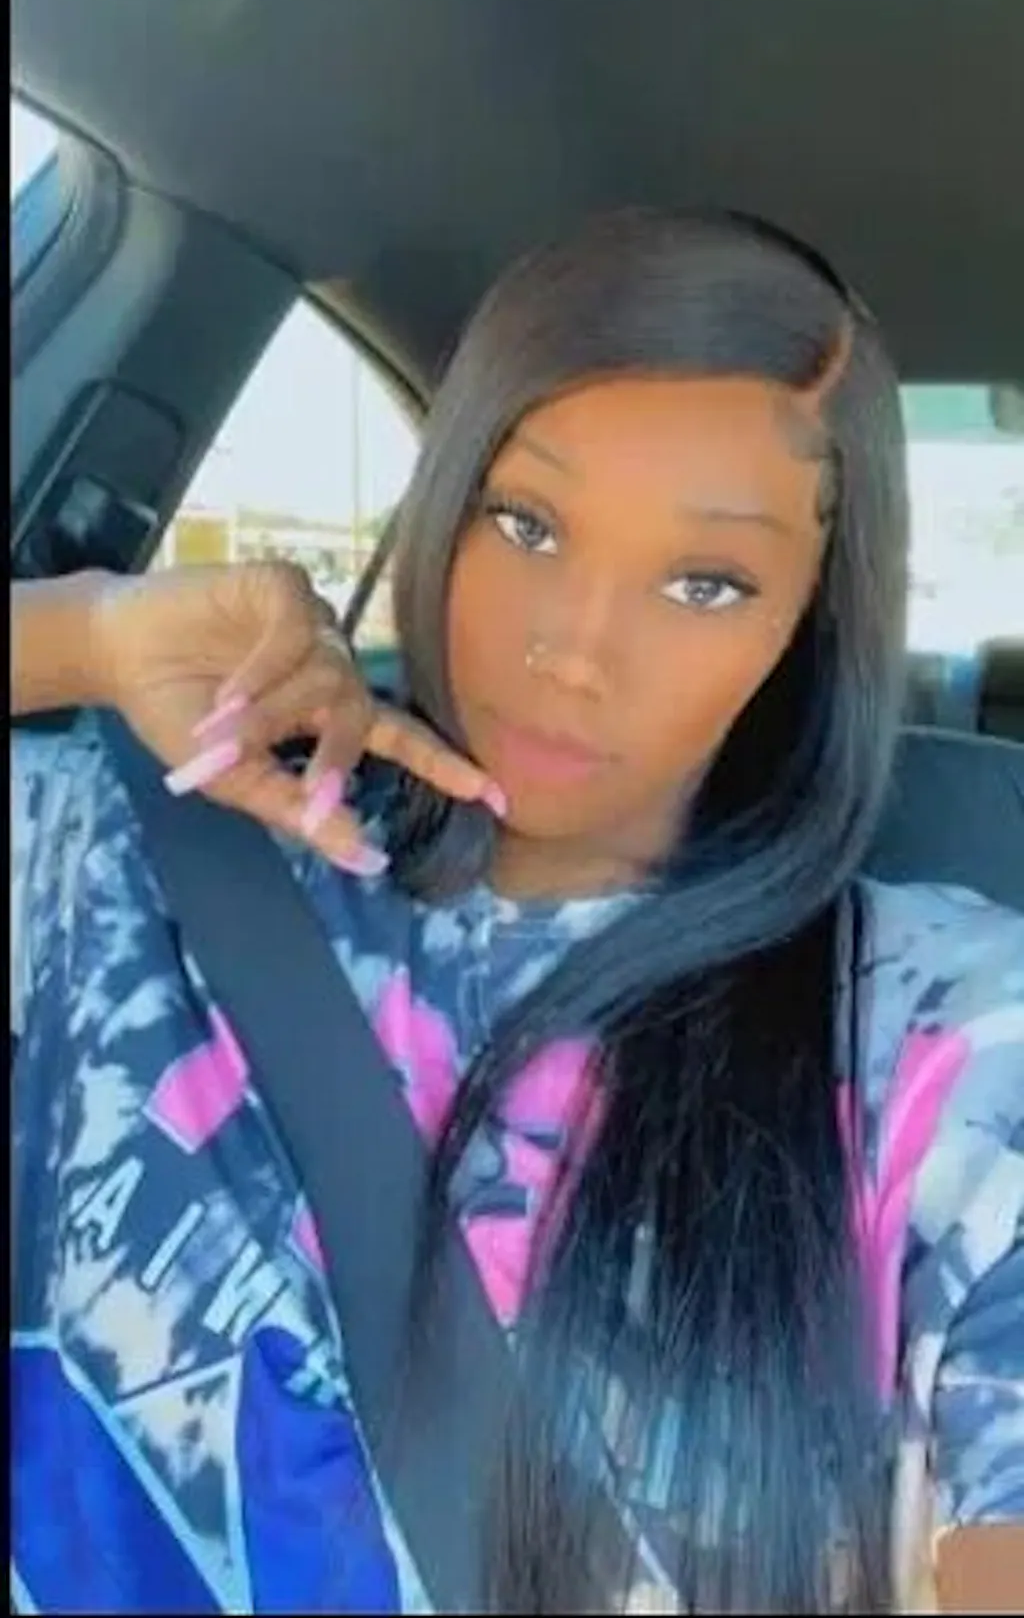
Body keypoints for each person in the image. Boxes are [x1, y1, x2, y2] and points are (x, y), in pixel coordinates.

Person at [10, 210, 1023, 1615]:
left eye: (705, 582)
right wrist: (84, 633)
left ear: (807, 624)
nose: (574, 650)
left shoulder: (941, 1036)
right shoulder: (124, 853)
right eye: (526, 522)